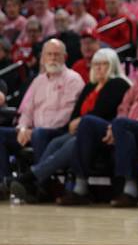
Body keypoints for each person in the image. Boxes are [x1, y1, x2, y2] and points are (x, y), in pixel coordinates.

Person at [59, 34, 138, 207]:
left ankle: (129, 189)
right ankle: (80, 186)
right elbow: (124, 104)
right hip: (125, 127)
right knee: (88, 122)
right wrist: (115, 126)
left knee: (122, 125)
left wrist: (131, 122)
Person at [10, 48, 130, 203]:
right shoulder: (90, 86)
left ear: (113, 65)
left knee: (75, 141)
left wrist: (80, 121)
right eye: (96, 64)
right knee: (55, 143)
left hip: (105, 132)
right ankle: (40, 185)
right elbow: (75, 112)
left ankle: (32, 177)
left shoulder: (118, 84)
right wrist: (75, 121)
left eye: (104, 64)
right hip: (82, 130)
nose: (99, 68)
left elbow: (102, 111)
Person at [0, 39, 84, 189]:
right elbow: (27, 111)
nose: (52, 58)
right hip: (33, 131)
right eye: (49, 54)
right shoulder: (38, 80)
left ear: (65, 57)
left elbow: (67, 113)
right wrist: (23, 128)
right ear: (43, 58)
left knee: (40, 133)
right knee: (1, 133)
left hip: (58, 131)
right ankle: (5, 183)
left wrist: (33, 131)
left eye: (56, 55)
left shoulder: (73, 79)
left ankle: (39, 186)